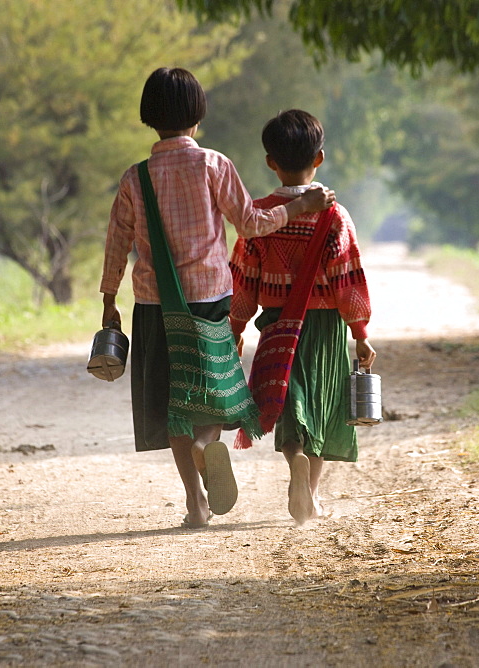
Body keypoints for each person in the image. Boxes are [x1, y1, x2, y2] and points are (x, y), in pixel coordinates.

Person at [99, 69, 335, 529]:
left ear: (149, 116)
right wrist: (297, 208)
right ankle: (208, 443)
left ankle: (195, 502)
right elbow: (249, 223)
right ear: (198, 113)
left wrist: (109, 297)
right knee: (207, 395)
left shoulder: (135, 178)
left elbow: (116, 243)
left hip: (154, 303)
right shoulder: (213, 165)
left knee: (172, 399)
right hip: (210, 298)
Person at [229, 109, 375, 525]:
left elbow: (243, 279)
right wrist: (360, 332)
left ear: (271, 162)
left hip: (278, 325)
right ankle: (309, 493)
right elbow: (348, 278)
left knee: (291, 406)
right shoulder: (334, 216)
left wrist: (236, 328)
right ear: (320, 158)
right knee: (322, 407)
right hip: (326, 327)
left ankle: (293, 458)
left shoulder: (259, 217)